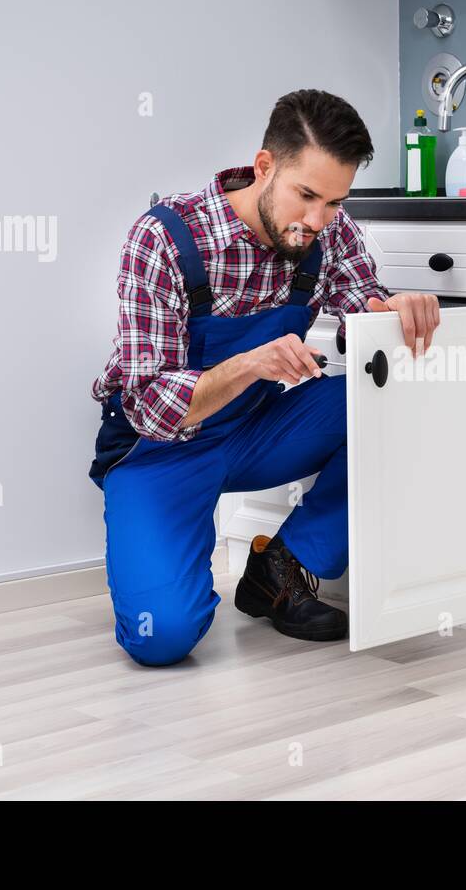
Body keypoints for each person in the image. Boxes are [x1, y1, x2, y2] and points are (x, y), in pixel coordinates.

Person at [87, 89, 440, 666]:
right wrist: (253, 362)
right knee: (162, 638)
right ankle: (168, 569)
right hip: (158, 452)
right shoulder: (164, 239)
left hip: (253, 431)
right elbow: (149, 403)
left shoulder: (328, 230)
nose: (316, 221)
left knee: (389, 401)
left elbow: (360, 313)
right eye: (306, 196)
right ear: (264, 167)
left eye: (333, 202)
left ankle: (280, 566)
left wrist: (391, 312)